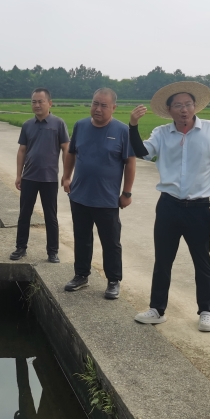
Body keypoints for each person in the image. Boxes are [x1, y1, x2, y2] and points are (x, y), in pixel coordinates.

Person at [129, 81, 210, 332]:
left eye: (188, 104)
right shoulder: (162, 133)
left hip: (198, 208)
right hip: (169, 206)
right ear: (169, 110)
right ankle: (157, 309)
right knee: (163, 260)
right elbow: (142, 152)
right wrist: (133, 126)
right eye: (178, 105)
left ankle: (206, 311)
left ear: (195, 106)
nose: (184, 109)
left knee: (202, 261)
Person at [62, 88, 136, 299]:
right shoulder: (81, 125)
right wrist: (66, 177)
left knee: (110, 242)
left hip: (107, 199)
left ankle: (113, 280)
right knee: (81, 238)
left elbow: (130, 163)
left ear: (113, 107)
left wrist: (127, 193)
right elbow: (71, 153)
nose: (98, 109)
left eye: (104, 105)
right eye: (95, 103)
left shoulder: (122, 131)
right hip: (80, 195)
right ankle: (81, 275)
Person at [10, 88, 70, 263]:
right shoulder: (27, 125)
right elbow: (22, 150)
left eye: (40, 101)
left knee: (50, 216)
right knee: (24, 214)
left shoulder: (58, 124)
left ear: (49, 103)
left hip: (49, 179)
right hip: (29, 177)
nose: (37, 105)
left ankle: (52, 252)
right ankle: (21, 248)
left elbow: (66, 148)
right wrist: (18, 175)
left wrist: (67, 174)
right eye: (34, 102)